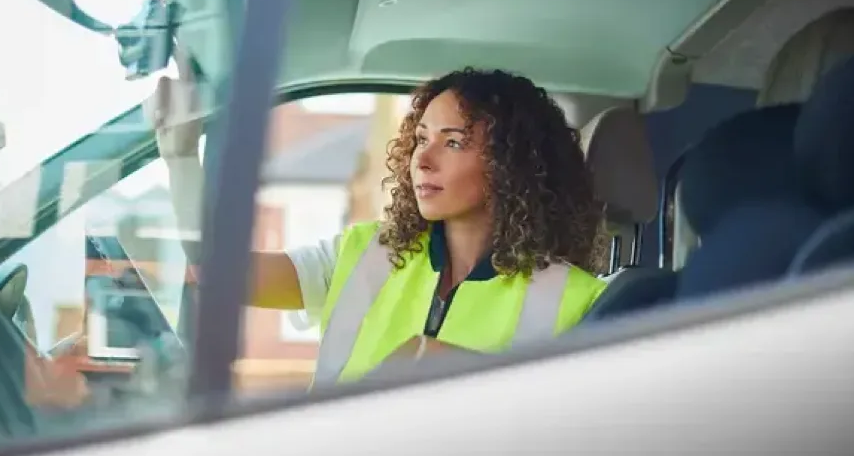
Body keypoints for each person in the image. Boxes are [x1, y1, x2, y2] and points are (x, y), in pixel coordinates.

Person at [146, 66, 607, 387]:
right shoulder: (365, 252)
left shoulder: (577, 301)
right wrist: (181, 158)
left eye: (453, 142)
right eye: (421, 139)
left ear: (512, 164)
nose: (422, 160)